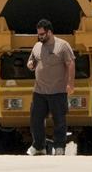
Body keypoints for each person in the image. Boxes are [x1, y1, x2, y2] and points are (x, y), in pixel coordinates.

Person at [27, 18, 76, 156]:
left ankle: (59, 147)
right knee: (35, 119)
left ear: (49, 32)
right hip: (39, 90)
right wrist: (30, 64)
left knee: (59, 121)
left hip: (58, 90)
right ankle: (39, 146)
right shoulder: (37, 46)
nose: (40, 37)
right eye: (38, 34)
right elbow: (32, 60)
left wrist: (70, 83)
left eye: (42, 34)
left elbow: (71, 63)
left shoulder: (62, 46)